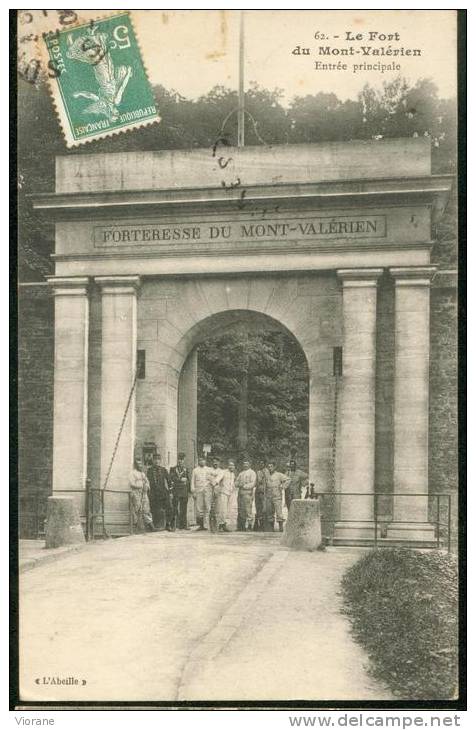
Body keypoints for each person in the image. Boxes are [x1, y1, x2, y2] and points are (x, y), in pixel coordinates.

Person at [147, 453, 173, 531]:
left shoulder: (163, 470)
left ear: (160, 461)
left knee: (169, 507)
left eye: (158, 460)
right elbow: (147, 481)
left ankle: (168, 524)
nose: (157, 461)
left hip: (163, 493)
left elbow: (169, 481)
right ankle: (155, 526)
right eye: (155, 460)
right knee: (153, 508)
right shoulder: (150, 470)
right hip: (153, 493)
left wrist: (170, 492)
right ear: (153, 460)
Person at [129, 457, 155, 532]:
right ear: (135, 465)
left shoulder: (143, 474)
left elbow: (147, 481)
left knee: (146, 509)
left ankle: (151, 526)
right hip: (136, 493)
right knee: (137, 509)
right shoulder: (132, 473)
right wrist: (141, 486)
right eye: (138, 464)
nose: (140, 465)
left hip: (144, 493)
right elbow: (132, 483)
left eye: (141, 464)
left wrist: (147, 486)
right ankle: (137, 527)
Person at [264, 460, 290, 532]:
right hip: (269, 496)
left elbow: (288, 479)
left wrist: (282, 486)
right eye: (268, 467)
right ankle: (271, 528)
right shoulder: (267, 475)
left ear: (274, 467)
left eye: (271, 466)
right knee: (270, 512)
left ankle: (281, 528)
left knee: (279, 512)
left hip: (277, 496)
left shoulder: (279, 474)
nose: (270, 468)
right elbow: (265, 485)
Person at [169, 452, 191, 530]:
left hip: (184, 491)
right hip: (176, 491)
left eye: (182, 459)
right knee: (174, 508)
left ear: (184, 460)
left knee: (183, 509)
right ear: (177, 460)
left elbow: (189, 480)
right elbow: (171, 478)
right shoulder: (173, 469)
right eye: (179, 459)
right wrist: (180, 479)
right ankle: (173, 525)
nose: (180, 461)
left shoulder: (186, 469)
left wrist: (189, 491)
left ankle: (183, 525)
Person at [191, 456, 212, 530]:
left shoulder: (209, 469)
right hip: (198, 490)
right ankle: (201, 525)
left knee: (207, 507)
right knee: (199, 508)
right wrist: (193, 491)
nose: (202, 462)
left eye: (203, 460)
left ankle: (207, 524)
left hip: (207, 491)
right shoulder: (195, 470)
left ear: (205, 461)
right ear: (198, 461)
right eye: (200, 460)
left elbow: (212, 480)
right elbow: (192, 482)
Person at [235, 459, 257, 531]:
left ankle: (250, 526)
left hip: (247, 493)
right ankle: (242, 526)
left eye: (247, 464)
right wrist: (238, 484)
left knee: (248, 510)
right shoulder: (241, 473)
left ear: (249, 464)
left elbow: (252, 483)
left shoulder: (252, 473)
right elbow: (236, 482)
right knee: (241, 510)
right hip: (240, 493)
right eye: (244, 464)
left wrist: (243, 486)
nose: (245, 465)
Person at [215, 460, 236, 532]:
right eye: (230, 465)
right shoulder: (223, 472)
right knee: (222, 509)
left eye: (233, 465)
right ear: (228, 466)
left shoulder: (233, 474)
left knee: (228, 510)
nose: (231, 467)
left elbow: (232, 484)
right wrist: (216, 484)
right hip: (223, 492)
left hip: (230, 494)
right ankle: (221, 524)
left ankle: (224, 524)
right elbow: (217, 480)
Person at [208, 457, 225, 532]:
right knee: (210, 507)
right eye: (214, 462)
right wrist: (213, 480)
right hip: (209, 490)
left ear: (219, 463)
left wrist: (214, 480)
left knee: (218, 508)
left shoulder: (221, 471)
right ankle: (210, 526)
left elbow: (218, 478)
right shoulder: (209, 470)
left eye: (217, 462)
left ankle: (219, 525)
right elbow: (208, 477)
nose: (215, 463)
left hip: (218, 490)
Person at [254, 459, 269, 531]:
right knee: (258, 508)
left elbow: (267, 481)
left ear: (264, 464)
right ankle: (258, 525)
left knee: (264, 508)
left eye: (262, 463)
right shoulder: (258, 472)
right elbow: (257, 482)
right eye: (260, 463)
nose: (261, 465)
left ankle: (264, 525)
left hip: (264, 492)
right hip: (258, 491)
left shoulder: (266, 471)